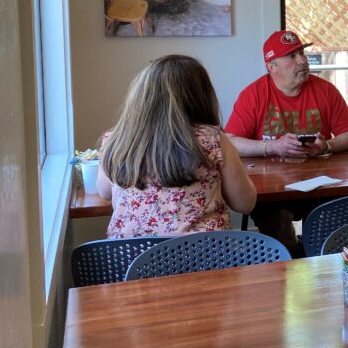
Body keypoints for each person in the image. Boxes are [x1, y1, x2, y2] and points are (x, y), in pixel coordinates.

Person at [224, 29, 348, 248]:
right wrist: (272, 147)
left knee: (333, 228)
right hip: (272, 189)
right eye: (292, 56)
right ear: (272, 67)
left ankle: (320, 259)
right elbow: (230, 141)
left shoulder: (326, 90)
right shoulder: (253, 94)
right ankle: (292, 257)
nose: (302, 60)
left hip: (322, 185)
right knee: (279, 229)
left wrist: (326, 146)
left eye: (302, 53)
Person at [98, 55, 256, 238]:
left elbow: (104, 192)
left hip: (130, 254)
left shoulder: (115, 140)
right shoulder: (213, 139)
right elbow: (245, 203)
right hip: (203, 254)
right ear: (200, 96)